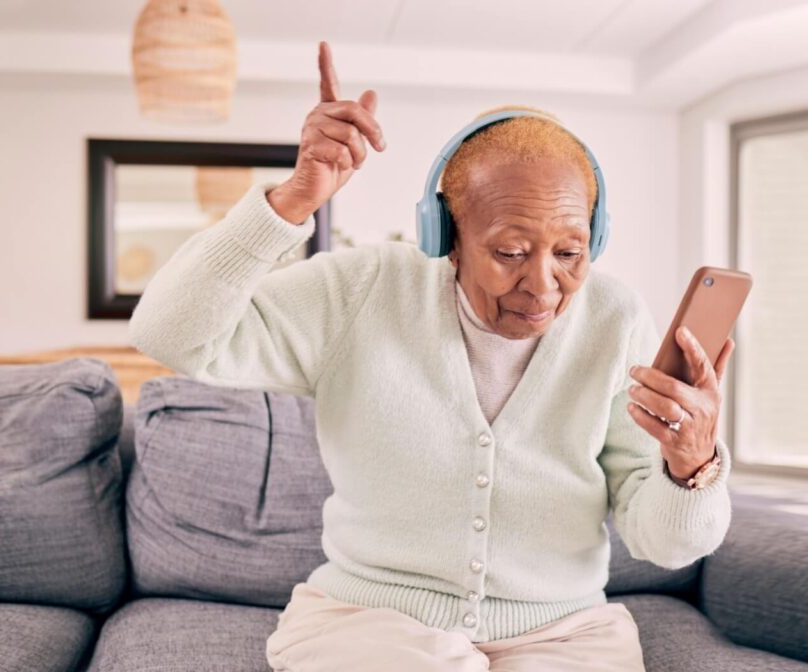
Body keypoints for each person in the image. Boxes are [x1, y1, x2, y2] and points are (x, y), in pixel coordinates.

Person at [126, 40, 735, 672]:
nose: (543, 286)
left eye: (569, 252)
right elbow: (170, 333)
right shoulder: (361, 291)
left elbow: (668, 543)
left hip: (562, 633)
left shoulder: (616, 318)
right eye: (509, 252)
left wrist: (691, 468)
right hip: (366, 623)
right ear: (445, 234)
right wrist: (291, 203)